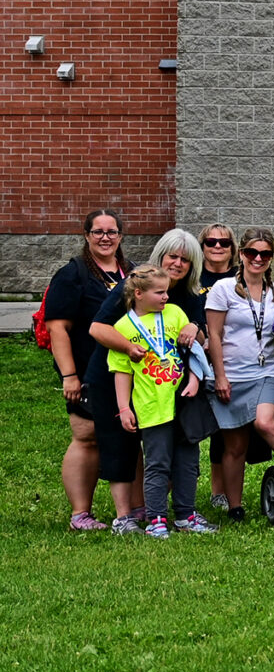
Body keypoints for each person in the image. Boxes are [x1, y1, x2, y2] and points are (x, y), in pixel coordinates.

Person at [203, 228, 274, 516]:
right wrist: (220, 376)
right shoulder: (222, 289)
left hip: (268, 370)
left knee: (266, 424)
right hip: (232, 373)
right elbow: (214, 335)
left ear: (272, 257)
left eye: (265, 253)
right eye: (252, 252)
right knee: (235, 445)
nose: (258, 258)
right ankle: (235, 506)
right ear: (241, 254)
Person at [47, 211, 136, 531]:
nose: (105, 238)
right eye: (97, 232)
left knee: (130, 436)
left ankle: (135, 509)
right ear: (86, 236)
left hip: (128, 373)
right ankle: (80, 514)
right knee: (86, 437)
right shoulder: (73, 275)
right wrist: (69, 376)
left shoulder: (132, 272)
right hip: (87, 373)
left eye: (112, 232)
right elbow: (58, 329)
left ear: (121, 236)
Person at [105, 265, 208, 538]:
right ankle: (156, 519)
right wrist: (124, 407)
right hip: (151, 407)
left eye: (167, 292)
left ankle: (186, 515)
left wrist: (195, 379)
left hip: (183, 402)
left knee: (188, 462)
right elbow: (122, 371)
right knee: (158, 464)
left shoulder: (174, 314)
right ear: (138, 294)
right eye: (160, 292)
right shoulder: (123, 327)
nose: (166, 297)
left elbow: (193, 352)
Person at [196, 224, 240, 294]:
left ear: (232, 248)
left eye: (224, 242)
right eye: (210, 242)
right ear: (202, 247)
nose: (217, 246)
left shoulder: (242, 276)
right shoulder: (191, 275)